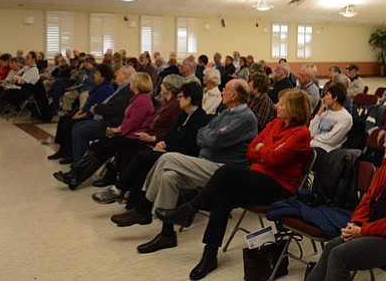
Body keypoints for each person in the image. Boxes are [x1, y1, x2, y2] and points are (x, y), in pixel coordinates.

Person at [155, 88, 312, 280]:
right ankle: (209, 255)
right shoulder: (275, 124)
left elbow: (274, 159)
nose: (276, 106)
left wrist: (264, 151)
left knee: (226, 172)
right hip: (258, 178)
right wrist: (266, 151)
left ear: (294, 109)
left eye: (281, 104)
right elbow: (251, 149)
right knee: (223, 197)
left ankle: (189, 209)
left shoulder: (301, 133)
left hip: (279, 187)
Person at [126, 79, 257, 250]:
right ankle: (167, 235)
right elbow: (201, 135)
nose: (222, 91)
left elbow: (214, 140)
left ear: (234, 95)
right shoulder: (227, 113)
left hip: (223, 171)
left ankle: (143, 208)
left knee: (166, 158)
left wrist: (210, 135)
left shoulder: (246, 118)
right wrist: (210, 135)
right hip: (205, 165)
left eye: (225, 89)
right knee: (169, 177)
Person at [306, 119, 386, 280]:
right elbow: (368, 199)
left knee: (339, 255)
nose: (385, 144)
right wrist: (356, 223)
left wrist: (363, 231)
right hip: (375, 229)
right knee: (331, 247)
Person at [91, 82, 209, 208]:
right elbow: (171, 134)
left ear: (189, 99)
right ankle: (131, 201)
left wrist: (164, 145)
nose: (178, 99)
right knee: (130, 147)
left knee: (142, 156)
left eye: (181, 96)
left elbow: (189, 146)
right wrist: (164, 142)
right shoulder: (184, 114)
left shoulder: (200, 119)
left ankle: (119, 189)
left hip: (181, 156)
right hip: (168, 148)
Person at [53, 72, 156, 189]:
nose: (130, 84)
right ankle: (75, 174)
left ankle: (76, 176)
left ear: (137, 84)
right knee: (99, 145)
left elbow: (133, 123)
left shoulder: (142, 101)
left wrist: (117, 130)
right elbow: (128, 120)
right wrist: (118, 129)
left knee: (103, 147)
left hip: (132, 136)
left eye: (132, 82)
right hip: (127, 133)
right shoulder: (137, 98)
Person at [48, 64, 115, 163]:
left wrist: (84, 115)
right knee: (63, 119)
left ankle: (71, 153)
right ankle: (62, 150)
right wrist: (81, 111)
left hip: (92, 116)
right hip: (85, 112)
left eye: (97, 73)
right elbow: (89, 102)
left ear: (103, 76)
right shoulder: (99, 86)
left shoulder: (106, 89)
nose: (94, 75)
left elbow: (98, 107)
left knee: (69, 124)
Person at [68, 66, 135, 162]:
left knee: (79, 132)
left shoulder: (127, 90)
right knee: (76, 126)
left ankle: (80, 164)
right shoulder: (122, 88)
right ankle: (78, 159)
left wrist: (96, 109)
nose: (115, 75)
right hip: (106, 118)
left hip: (111, 123)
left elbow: (113, 107)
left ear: (125, 76)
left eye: (118, 73)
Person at [309, 83, 353, 160]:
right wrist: (319, 113)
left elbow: (332, 139)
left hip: (328, 150)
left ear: (335, 98)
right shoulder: (325, 113)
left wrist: (314, 138)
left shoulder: (346, 118)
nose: (323, 98)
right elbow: (311, 132)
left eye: (327, 95)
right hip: (313, 144)